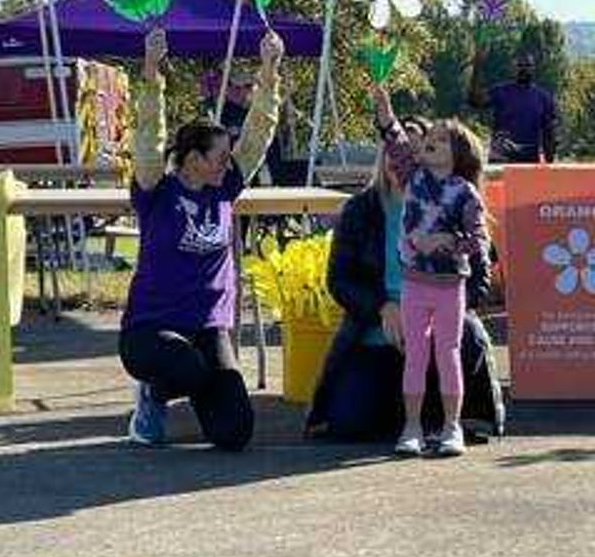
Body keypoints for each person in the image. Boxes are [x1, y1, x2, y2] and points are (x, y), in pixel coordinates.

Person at [119, 26, 284, 449]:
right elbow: (148, 136)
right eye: (219, 157)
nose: (229, 163)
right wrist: (152, 68)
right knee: (185, 364)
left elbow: (258, 133)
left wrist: (270, 71)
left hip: (208, 329)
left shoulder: (224, 186)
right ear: (193, 160)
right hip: (151, 331)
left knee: (235, 433)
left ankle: (203, 401)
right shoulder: (157, 190)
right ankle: (152, 397)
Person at [305, 121, 504, 444]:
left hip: (439, 323)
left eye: (416, 152)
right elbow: (339, 280)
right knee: (348, 425)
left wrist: (434, 315)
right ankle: (407, 414)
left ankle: (447, 418)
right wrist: (383, 308)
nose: (403, 160)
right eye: (396, 152)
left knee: (460, 337)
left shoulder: (457, 200)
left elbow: (479, 279)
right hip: (377, 330)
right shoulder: (359, 209)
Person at [375, 86, 491, 457]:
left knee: (448, 352)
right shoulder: (413, 177)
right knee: (416, 355)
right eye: (430, 138)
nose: (429, 143)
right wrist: (385, 113)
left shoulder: (465, 193)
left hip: (449, 287)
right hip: (414, 284)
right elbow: (394, 142)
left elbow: (478, 241)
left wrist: (445, 241)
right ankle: (411, 427)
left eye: (440, 140)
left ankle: (451, 427)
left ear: (457, 153)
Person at [468, 49, 557, 163]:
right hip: (501, 159)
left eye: (528, 65)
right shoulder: (501, 91)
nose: (524, 69)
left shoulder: (544, 98)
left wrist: (549, 165)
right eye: (520, 65)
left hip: (528, 162)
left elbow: (549, 134)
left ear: (534, 68)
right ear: (513, 68)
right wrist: (477, 67)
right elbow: (474, 101)